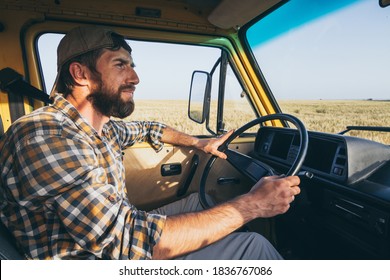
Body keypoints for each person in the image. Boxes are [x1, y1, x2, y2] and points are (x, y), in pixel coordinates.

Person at [0, 26, 300, 260]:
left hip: (111, 238)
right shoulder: (45, 136)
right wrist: (252, 205)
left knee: (203, 200)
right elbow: (125, 242)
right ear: (80, 74)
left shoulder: (101, 129)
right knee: (252, 247)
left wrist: (199, 142)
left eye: (132, 65)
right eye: (121, 65)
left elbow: (149, 129)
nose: (135, 77)